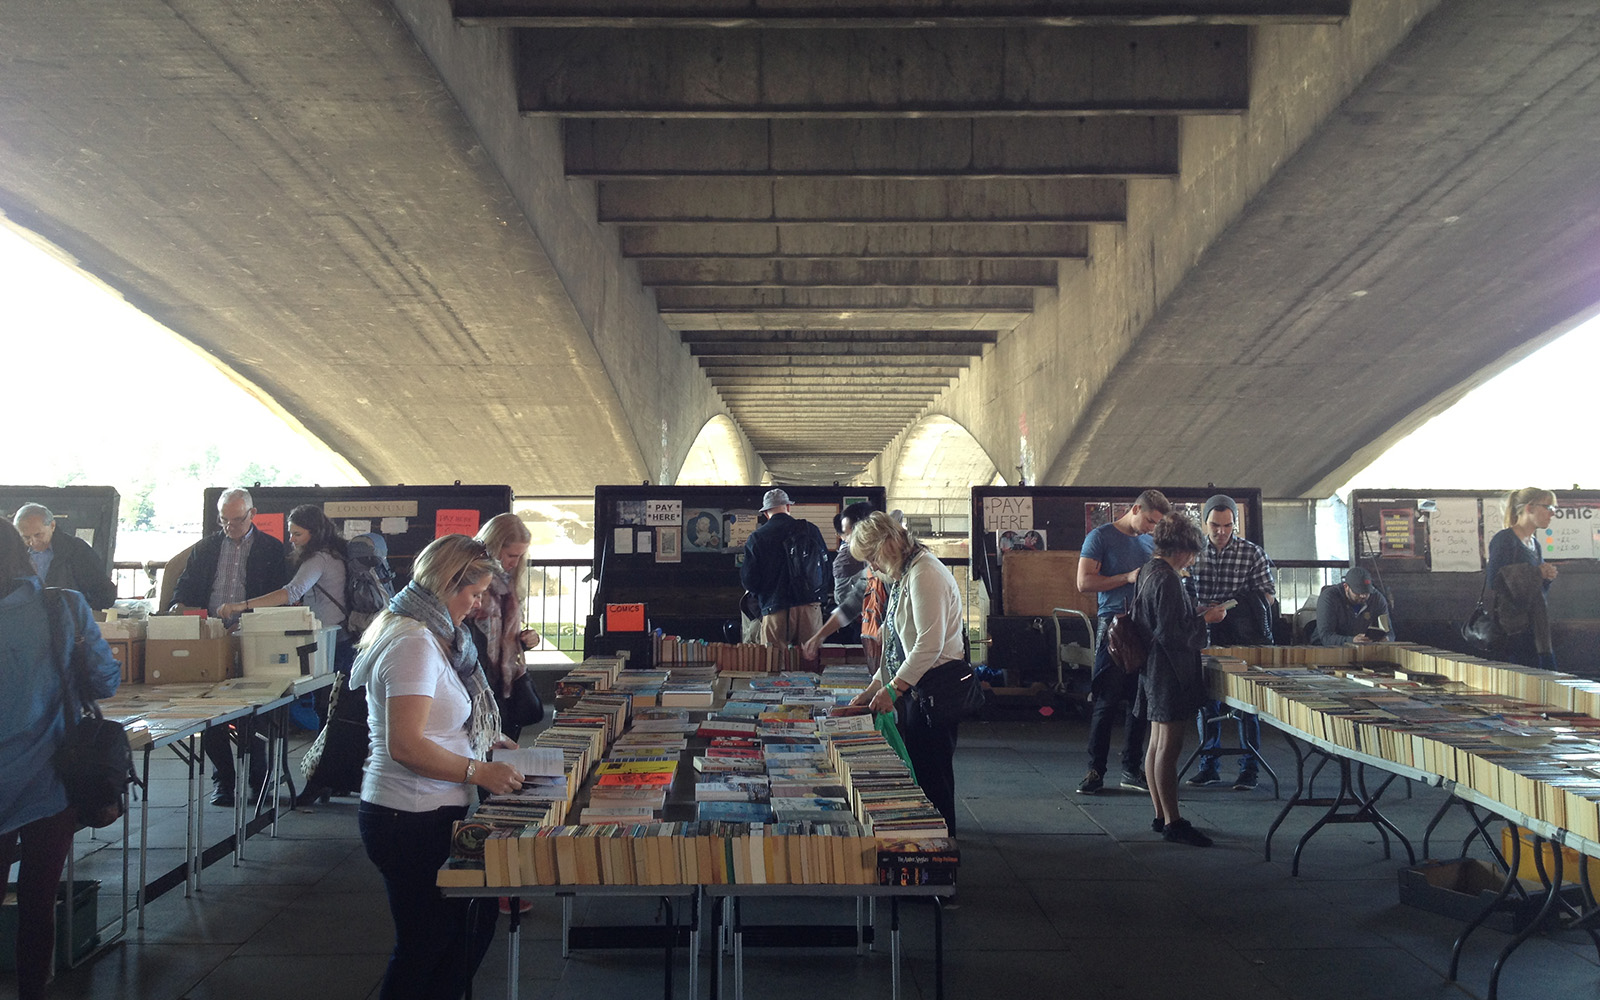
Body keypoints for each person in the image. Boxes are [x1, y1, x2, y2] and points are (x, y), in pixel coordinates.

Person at [350, 534, 525, 1000]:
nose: (478, 604)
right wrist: (478, 773)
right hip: (407, 816)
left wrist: (486, 741)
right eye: (473, 593)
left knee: (457, 932)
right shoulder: (413, 643)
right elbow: (406, 745)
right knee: (426, 944)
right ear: (448, 583)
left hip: (429, 811)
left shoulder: (434, 636)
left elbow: (441, 720)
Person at [0, 523, 121, 999]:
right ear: (23, 553)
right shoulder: (63, 606)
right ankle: (34, 987)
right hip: (53, 777)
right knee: (38, 898)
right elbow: (105, 680)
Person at [846, 512, 968, 834]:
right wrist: (875, 687)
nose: (872, 566)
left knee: (933, 777)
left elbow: (929, 643)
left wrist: (892, 690)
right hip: (919, 687)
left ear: (888, 543)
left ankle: (943, 850)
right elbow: (894, 641)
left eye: (872, 556)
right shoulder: (907, 573)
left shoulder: (925, 572)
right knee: (924, 770)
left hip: (935, 689)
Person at [169, 488, 287, 806]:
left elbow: (280, 595)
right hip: (210, 637)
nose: (230, 526)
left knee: (255, 712)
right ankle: (224, 780)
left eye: (237, 519)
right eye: (224, 520)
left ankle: (258, 780)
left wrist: (248, 618)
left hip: (252, 636)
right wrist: (178, 605)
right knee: (210, 712)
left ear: (253, 514)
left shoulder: (272, 549)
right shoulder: (206, 547)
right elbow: (187, 582)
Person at [1132, 512, 1226, 847]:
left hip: (1152, 668)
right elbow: (1172, 633)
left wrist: (1195, 612)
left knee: (1156, 744)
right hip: (1170, 670)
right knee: (1169, 750)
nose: (1194, 558)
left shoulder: (1148, 570)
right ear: (1182, 548)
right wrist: (1207, 620)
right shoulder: (1168, 578)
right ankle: (1174, 821)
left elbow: (1162, 621)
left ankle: (1160, 814)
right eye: (1193, 552)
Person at [1075, 489, 1170, 795]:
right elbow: (1083, 582)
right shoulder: (1100, 537)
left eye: (1157, 524)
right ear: (1135, 509)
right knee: (1106, 701)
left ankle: (1131, 768)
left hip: (1145, 626)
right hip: (1114, 624)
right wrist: (1127, 577)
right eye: (1150, 521)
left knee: (1139, 704)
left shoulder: (1151, 541)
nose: (1152, 528)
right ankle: (1095, 770)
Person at [1188, 494, 1274, 791]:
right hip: (1204, 631)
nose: (1221, 531)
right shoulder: (1193, 552)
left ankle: (1249, 767)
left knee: (1245, 703)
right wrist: (1201, 609)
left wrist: (1231, 606)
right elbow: (1184, 589)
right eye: (1215, 525)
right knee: (1206, 702)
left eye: (1227, 525)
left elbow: (1268, 597)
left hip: (1241, 636)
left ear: (1235, 524)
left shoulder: (1252, 553)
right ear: (1205, 522)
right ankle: (1208, 764)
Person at [468, 513, 544, 743]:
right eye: (511, 555)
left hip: (506, 684)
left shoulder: (509, 583)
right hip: (480, 684)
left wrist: (524, 640)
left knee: (506, 753)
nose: (514, 562)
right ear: (493, 547)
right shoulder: (471, 583)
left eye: (521, 556)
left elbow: (502, 637)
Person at [739, 488, 829, 671]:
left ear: (765, 513)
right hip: (809, 607)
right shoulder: (810, 530)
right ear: (788, 507)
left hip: (775, 608)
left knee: (774, 666)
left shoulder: (757, 537)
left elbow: (749, 581)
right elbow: (826, 568)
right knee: (810, 664)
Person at [800, 502, 888, 671]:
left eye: (849, 535)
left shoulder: (915, 570)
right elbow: (851, 604)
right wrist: (820, 636)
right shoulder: (873, 569)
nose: (846, 542)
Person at [1485, 487, 1560, 669]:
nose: (1552, 514)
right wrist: (1537, 573)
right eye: (1548, 508)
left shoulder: (1535, 544)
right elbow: (1495, 581)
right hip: (1511, 629)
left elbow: (1537, 590)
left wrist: (1547, 576)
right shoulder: (1505, 540)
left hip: (1535, 625)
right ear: (1529, 508)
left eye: (1553, 509)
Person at [12, 503, 118, 610]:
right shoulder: (14, 552)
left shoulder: (76, 549)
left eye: (38, 535)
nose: (32, 542)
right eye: (25, 537)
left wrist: (80, 612)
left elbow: (105, 593)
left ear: (52, 526)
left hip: (67, 616)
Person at [1311, 567, 1392, 646]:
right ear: (1346, 587)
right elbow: (1326, 636)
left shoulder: (1377, 599)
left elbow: (1389, 631)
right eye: (1358, 592)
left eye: (1367, 592)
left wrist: (1387, 639)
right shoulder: (1329, 597)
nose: (1363, 596)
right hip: (1324, 648)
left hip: (1362, 648)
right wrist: (1351, 640)